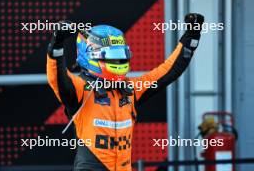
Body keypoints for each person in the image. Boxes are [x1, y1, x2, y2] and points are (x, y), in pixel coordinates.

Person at [46, 13, 204, 171]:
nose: (119, 62)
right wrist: (57, 45)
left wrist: (192, 36)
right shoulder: (81, 88)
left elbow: (168, 72)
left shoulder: (131, 89)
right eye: (112, 57)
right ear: (90, 56)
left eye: (121, 57)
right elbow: (57, 78)